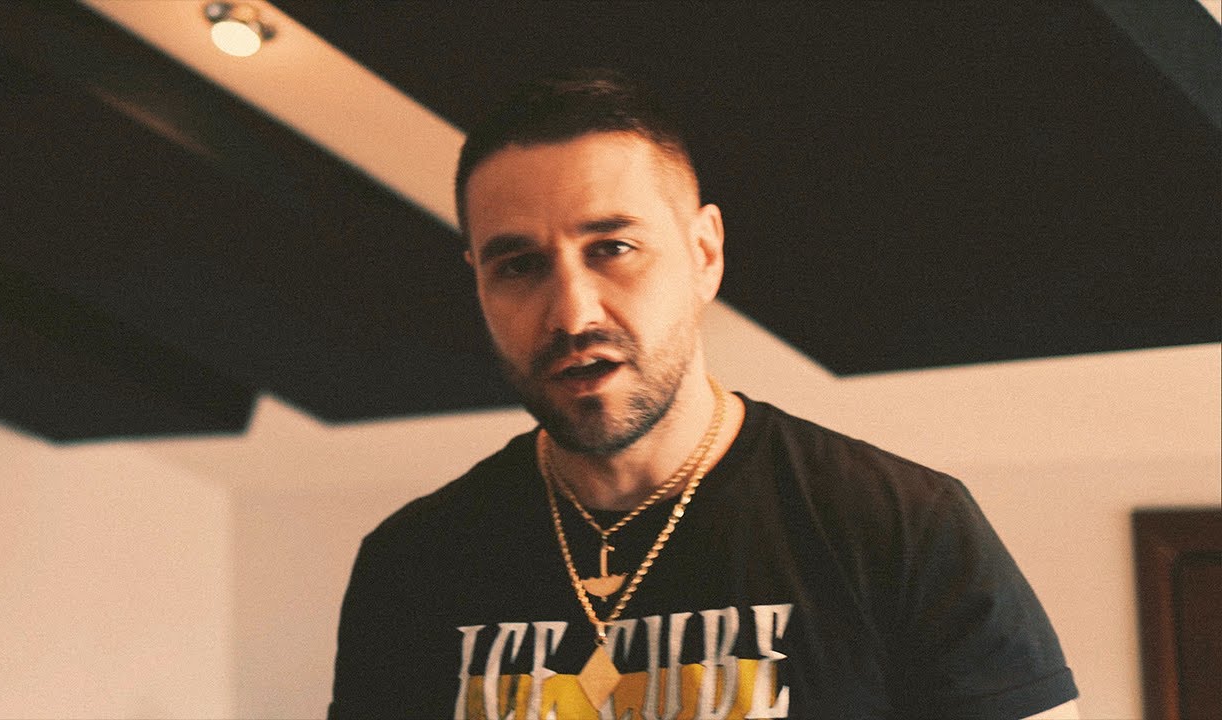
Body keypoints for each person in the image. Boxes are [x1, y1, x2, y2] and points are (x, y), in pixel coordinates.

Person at [329, 68, 1080, 720]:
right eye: (519, 266)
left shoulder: (899, 527)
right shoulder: (412, 566)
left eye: (612, 248)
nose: (573, 313)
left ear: (704, 253)